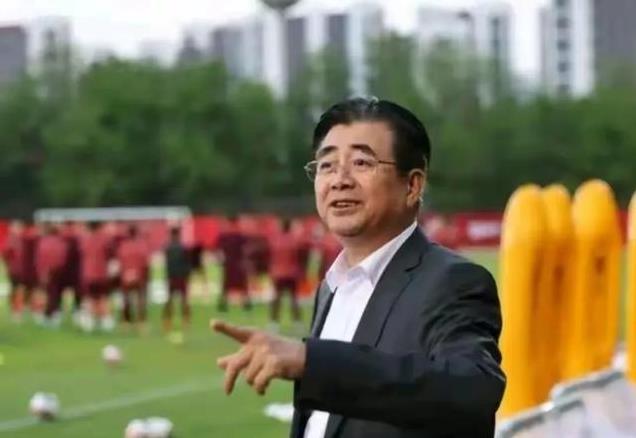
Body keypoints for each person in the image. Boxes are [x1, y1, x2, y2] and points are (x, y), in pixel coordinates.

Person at [212, 97, 505, 438]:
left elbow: (472, 391)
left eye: (362, 163)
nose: (339, 180)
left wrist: (312, 361)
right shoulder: (331, 287)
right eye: (327, 165)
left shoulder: (452, 281)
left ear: (412, 185)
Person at [269, 218, 303, 332]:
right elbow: (298, 257)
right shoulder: (294, 240)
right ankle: (297, 323)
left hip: (278, 273)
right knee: (294, 299)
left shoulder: (275, 240)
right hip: (292, 273)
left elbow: (272, 257)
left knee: (276, 298)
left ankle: (274, 323)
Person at [80, 221, 114, 332]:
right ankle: (105, 321)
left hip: (88, 274)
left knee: (89, 298)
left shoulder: (84, 240)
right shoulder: (105, 240)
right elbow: (110, 254)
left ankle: (89, 322)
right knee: (102, 298)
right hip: (101, 273)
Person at [116, 224, 150, 331]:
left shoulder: (123, 246)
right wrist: (147, 276)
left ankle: (126, 322)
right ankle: (141, 322)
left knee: (126, 299)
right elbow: (145, 263)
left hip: (126, 276)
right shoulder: (141, 246)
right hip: (139, 276)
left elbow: (120, 262)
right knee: (141, 299)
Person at [35, 223, 68, 326]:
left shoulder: (43, 242)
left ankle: (48, 315)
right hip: (58, 271)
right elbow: (63, 259)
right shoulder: (61, 242)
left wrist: (42, 272)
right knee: (55, 294)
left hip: (48, 271)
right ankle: (54, 314)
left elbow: (40, 259)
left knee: (48, 294)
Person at [215, 216, 251, 312]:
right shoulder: (239, 234)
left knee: (226, 284)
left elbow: (218, 250)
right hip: (238, 263)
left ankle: (223, 304)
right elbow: (246, 249)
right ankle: (246, 303)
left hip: (229, 263)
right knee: (242, 284)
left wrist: (220, 260)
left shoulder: (225, 235)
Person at [162, 225, 193, 332]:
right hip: (181, 277)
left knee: (169, 301)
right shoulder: (183, 247)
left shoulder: (167, 248)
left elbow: (167, 264)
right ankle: (186, 321)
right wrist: (187, 275)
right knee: (184, 300)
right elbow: (188, 263)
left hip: (171, 277)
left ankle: (167, 322)